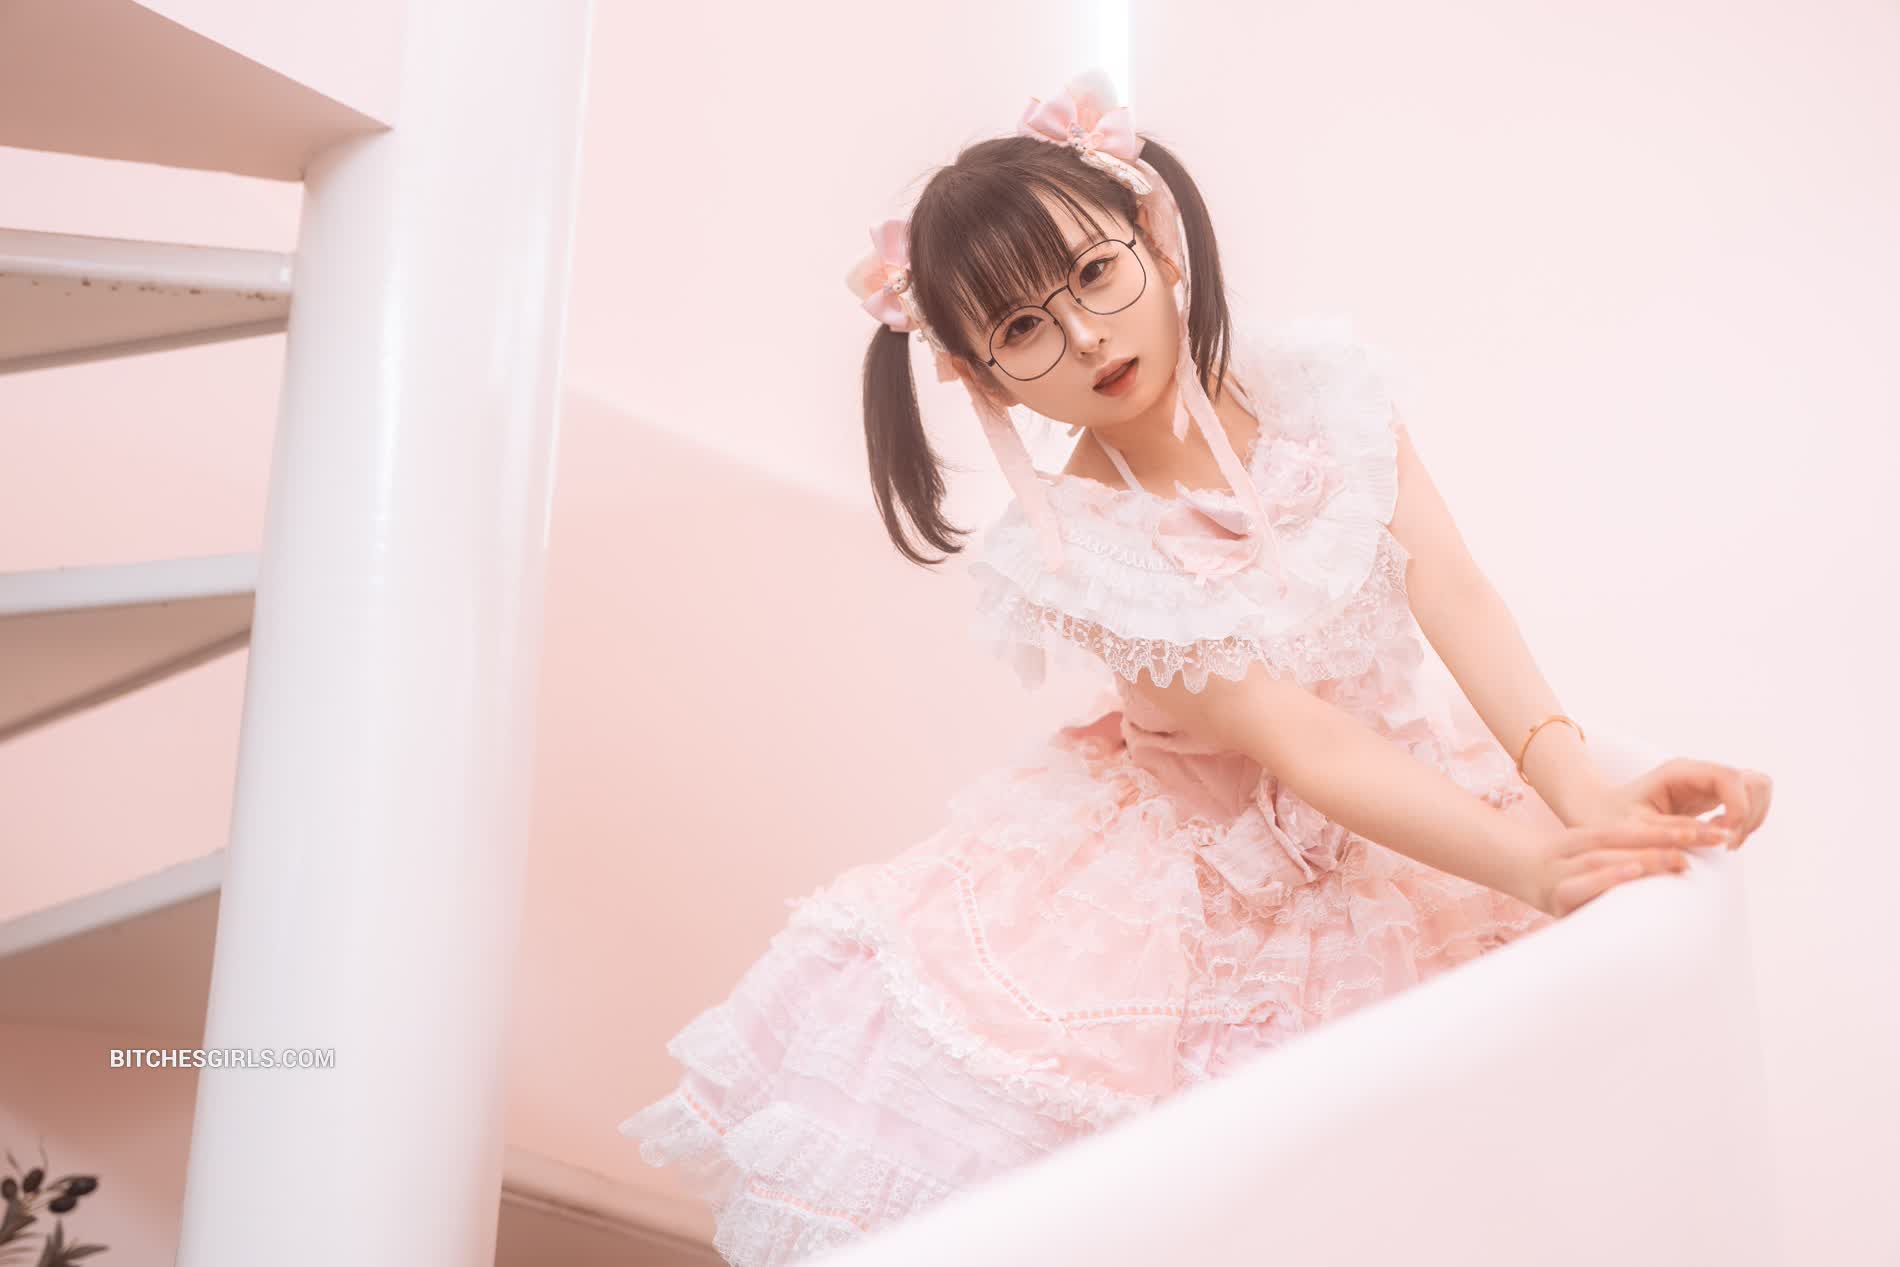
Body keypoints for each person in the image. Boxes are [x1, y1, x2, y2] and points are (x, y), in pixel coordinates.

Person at [617, 68, 1774, 1267]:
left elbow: (1454, 591)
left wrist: (1580, 798)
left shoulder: (1319, 387)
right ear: (980, 376)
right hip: (1207, 875)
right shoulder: (1081, 549)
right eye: (1021, 329)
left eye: (1092, 273)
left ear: (1155, 237)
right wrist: (1529, 861)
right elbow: (1305, 743)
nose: (1083, 335)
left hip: (1399, 804)